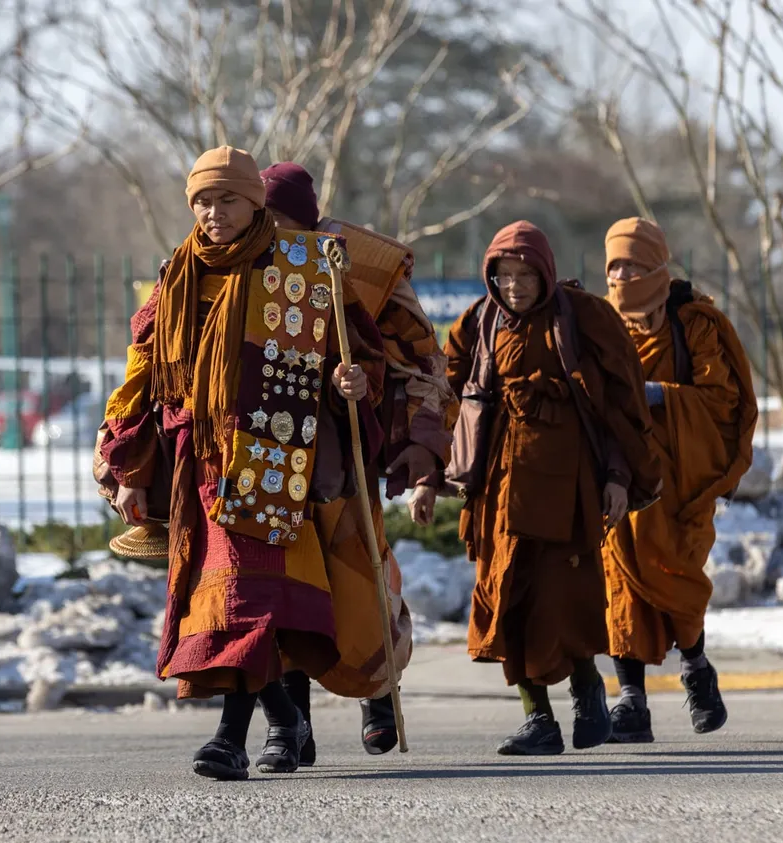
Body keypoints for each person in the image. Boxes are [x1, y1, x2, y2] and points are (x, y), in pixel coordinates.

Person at [98, 145, 389, 780]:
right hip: (196, 469)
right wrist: (127, 467)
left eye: (226, 199)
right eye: (201, 200)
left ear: (254, 202)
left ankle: (231, 738)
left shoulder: (304, 270)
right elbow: (141, 377)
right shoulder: (176, 278)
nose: (212, 212)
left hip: (272, 464)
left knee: (244, 602)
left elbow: (363, 352)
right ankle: (283, 718)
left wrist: (352, 382)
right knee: (225, 607)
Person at [418, 220, 662, 755]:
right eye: (503, 276)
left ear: (544, 272)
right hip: (498, 494)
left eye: (524, 275)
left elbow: (621, 409)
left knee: (566, 605)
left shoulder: (585, 319)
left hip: (567, 494)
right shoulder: (480, 323)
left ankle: (587, 692)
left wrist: (618, 477)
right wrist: (426, 475)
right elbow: (439, 395)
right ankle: (539, 720)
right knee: (508, 602)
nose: (514, 287)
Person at [258, 162, 459, 761]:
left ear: (307, 220)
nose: (275, 234)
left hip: (339, 453)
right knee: (285, 584)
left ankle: (377, 692)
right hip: (266, 451)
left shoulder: (355, 267)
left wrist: (360, 381)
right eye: (264, 221)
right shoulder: (239, 266)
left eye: (283, 221)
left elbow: (416, 358)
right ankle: (292, 727)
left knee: (356, 577)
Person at [600, 218, 757, 743]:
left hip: (680, 481)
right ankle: (631, 702)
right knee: (620, 583)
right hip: (617, 480)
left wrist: (662, 395)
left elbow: (722, 401)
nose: (623, 275)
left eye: (634, 265)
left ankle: (694, 667)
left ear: (658, 267)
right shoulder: (598, 324)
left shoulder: (694, 325)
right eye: (615, 265)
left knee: (674, 573)